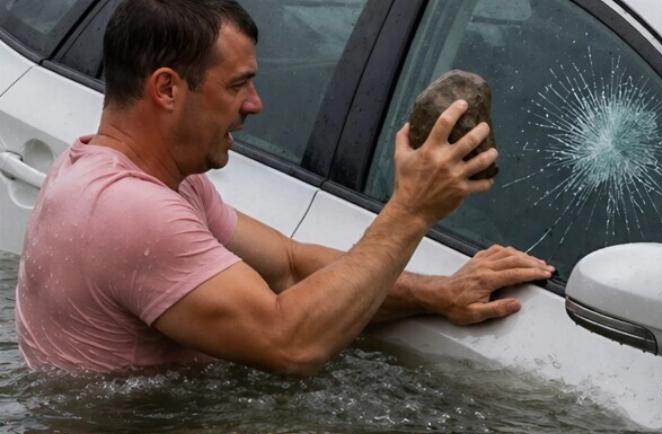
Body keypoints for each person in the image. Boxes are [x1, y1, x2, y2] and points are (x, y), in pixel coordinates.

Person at [14, 0, 553, 374]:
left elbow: (289, 267)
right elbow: (291, 342)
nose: (256, 104)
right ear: (167, 89)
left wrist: (440, 293)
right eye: (238, 85)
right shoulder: (129, 211)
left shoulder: (145, 181)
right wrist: (411, 210)